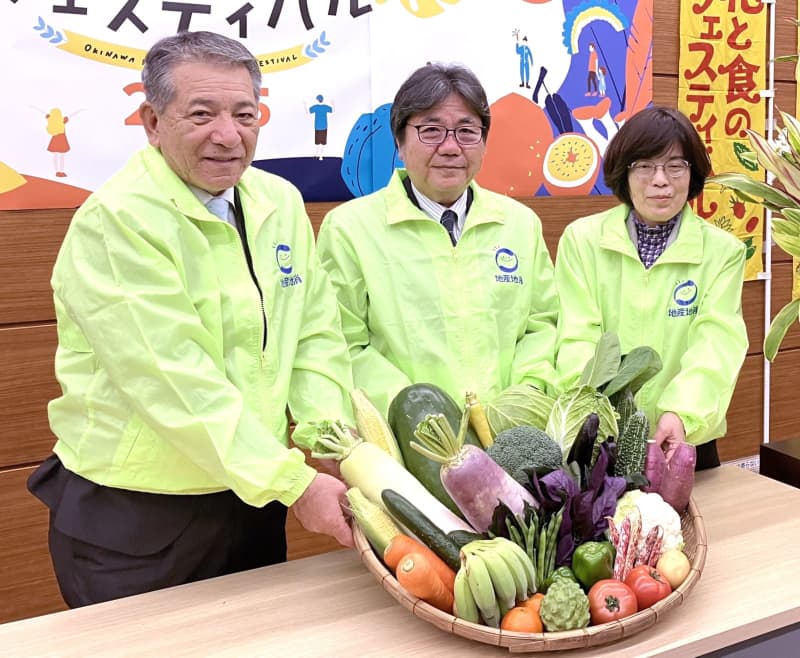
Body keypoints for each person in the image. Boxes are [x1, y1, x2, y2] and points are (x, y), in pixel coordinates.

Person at [27, 31, 355, 608]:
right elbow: (173, 380)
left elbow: (313, 336)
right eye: (201, 114)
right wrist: (294, 483)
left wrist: (331, 440)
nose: (227, 135)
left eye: (244, 114)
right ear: (152, 121)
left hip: (247, 494)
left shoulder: (278, 202)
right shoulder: (118, 221)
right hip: (136, 517)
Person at [316, 62, 559, 417]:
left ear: (484, 141)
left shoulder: (520, 224)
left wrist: (523, 400)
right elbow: (344, 344)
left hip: (511, 432)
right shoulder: (349, 229)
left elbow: (542, 325)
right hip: (407, 443)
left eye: (466, 131)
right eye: (431, 130)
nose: (450, 147)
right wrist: (419, 412)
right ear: (399, 142)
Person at [553, 105, 748, 470]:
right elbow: (575, 337)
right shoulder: (582, 240)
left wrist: (681, 414)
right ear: (623, 172)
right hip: (600, 440)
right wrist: (601, 415)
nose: (661, 180)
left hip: (683, 439)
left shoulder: (722, 252)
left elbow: (716, 345)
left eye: (675, 166)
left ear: (693, 173)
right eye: (644, 166)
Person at [308, 94, 334, 160]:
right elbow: (332, 110)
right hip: (324, 127)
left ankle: (317, 154)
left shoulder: (315, 107)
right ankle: (320, 156)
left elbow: (308, 111)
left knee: (317, 142)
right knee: (322, 142)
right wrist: (333, 103)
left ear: (317, 100)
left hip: (317, 127)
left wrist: (305, 105)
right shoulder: (325, 107)